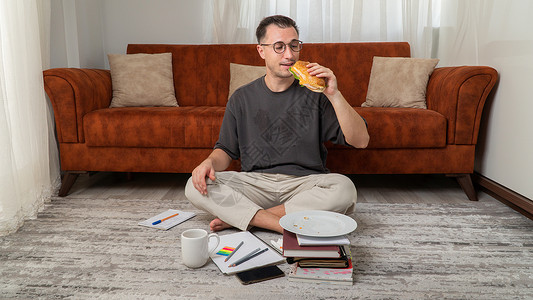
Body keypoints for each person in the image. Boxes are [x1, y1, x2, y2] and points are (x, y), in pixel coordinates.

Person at [185, 15, 369, 234]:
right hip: (254, 183)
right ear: (261, 50)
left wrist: (335, 94)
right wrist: (208, 162)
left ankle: (248, 218)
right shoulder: (241, 97)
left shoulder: (317, 93)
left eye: (294, 45)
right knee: (194, 186)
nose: (289, 55)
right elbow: (225, 151)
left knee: (344, 189)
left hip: (304, 184)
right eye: (279, 47)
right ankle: (280, 223)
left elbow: (361, 141)